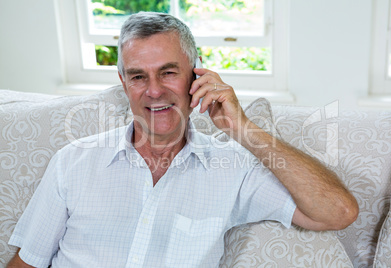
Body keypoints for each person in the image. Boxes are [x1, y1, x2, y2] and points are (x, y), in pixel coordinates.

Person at [7, 12, 358, 268]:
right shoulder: (74, 160)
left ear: (197, 72)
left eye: (169, 72)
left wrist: (242, 128)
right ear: (123, 81)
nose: (154, 90)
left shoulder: (232, 168)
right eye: (138, 76)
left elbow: (338, 212)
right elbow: (28, 261)